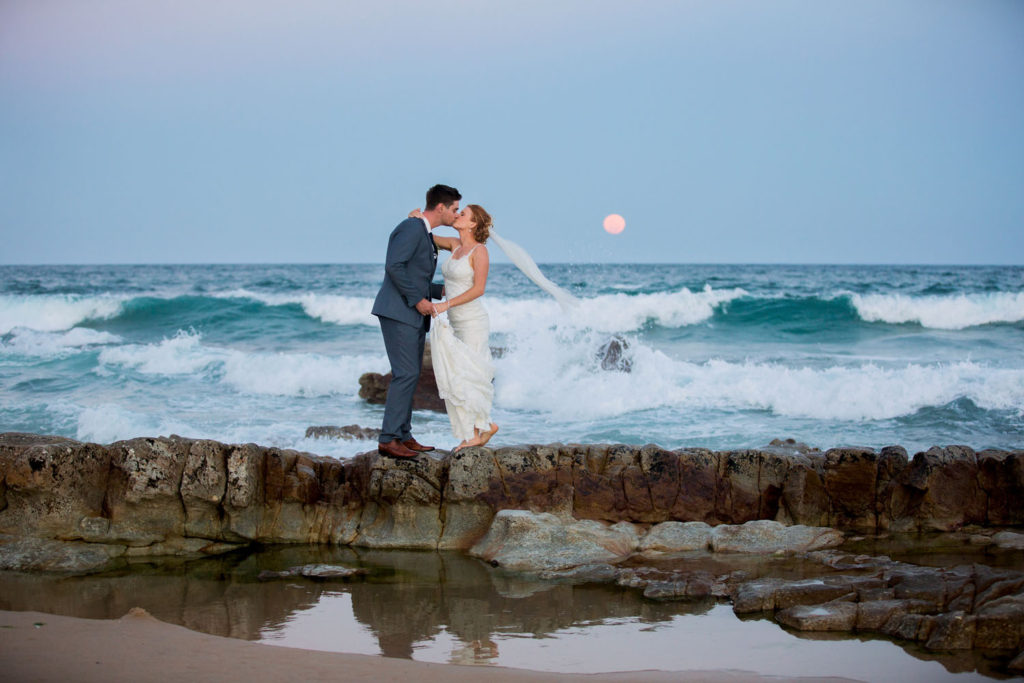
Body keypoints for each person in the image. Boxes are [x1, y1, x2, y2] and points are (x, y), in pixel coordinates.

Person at [371, 184, 461, 459]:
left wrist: (436, 292)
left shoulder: (424, 232)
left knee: (410, 375)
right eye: (455, 209)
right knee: (406, 374)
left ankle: (403, 434)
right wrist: (418, 301)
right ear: (441, 207)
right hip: (399, 311)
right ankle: (389, 439)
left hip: (410, 312)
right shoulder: (411, 228)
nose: (456, 215)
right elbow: (394, 266)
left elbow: (414, 275)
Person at [423, 204, 501, 452]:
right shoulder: (454, 245)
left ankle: (483, 428)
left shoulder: (480, 251)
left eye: (463, 213)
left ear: (473, 223)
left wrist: (447, 304)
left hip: (472, 321)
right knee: (459, 375)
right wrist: (418, 218)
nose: (457, 215)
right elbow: (427, 237)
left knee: (473, 374)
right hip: (455, 321)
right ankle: (475, 431)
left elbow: (479, 289)